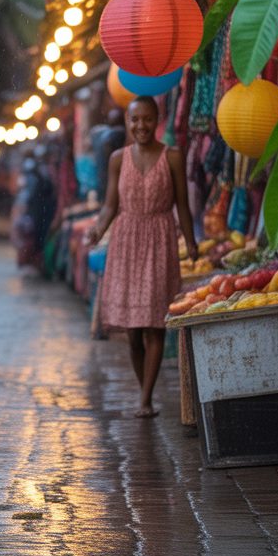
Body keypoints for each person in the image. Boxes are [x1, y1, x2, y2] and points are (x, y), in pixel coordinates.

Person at [86, 96, 197, 418]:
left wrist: (191, 243)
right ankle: (143, 389)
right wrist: (97, 229)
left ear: (157, 120)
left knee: (153, 325)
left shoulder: (172, 156)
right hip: (125, 242)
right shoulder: (118, 159)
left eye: (147, 119)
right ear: (127, 122)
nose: (141, 126)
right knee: (132, 332)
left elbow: (183, 206)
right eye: (135, 120)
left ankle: (145, 399)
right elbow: (110, 205)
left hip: (160, 240)